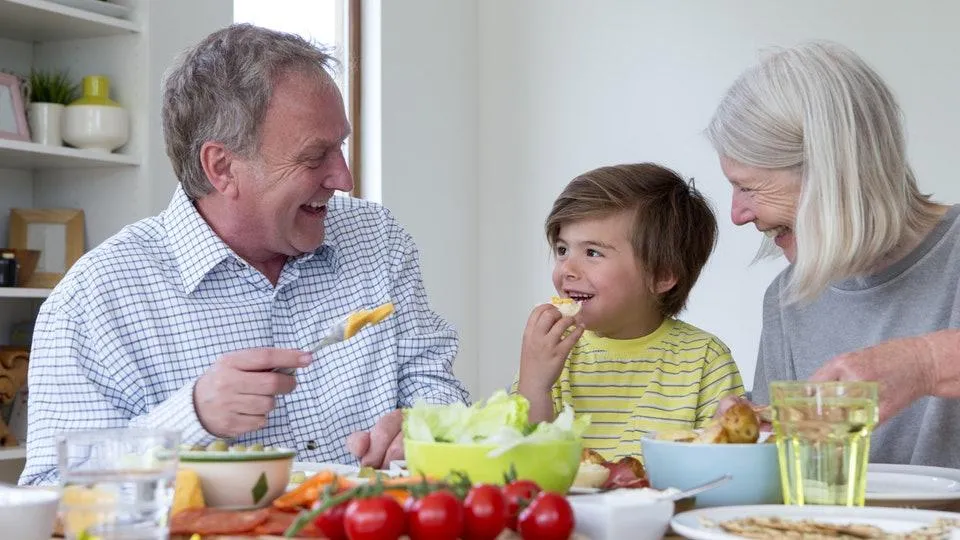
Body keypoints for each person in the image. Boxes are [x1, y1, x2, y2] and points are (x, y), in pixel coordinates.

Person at [19, 24, 469, 486]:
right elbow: (55, 493)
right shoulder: (95, 299)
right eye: (315, 157)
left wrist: (422, 428)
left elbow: (436, 387)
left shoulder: (377, 237)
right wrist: (191, 419)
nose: (343, 178)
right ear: (222, 167)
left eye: (341, 147)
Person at [706, 41, 960, 467]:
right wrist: (756, 433)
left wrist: (926, 362)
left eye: (748, 187)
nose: (737, 215)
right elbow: (787, 475)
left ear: (833, 173)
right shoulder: (787, 299)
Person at [515, 163, 745, 461]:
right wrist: (535, 384)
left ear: (661, 275)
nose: (567, 270)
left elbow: (727, 461)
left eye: (592, 253)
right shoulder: (551, 353)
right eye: (562, 250)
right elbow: (522, 463)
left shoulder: (705, 360)